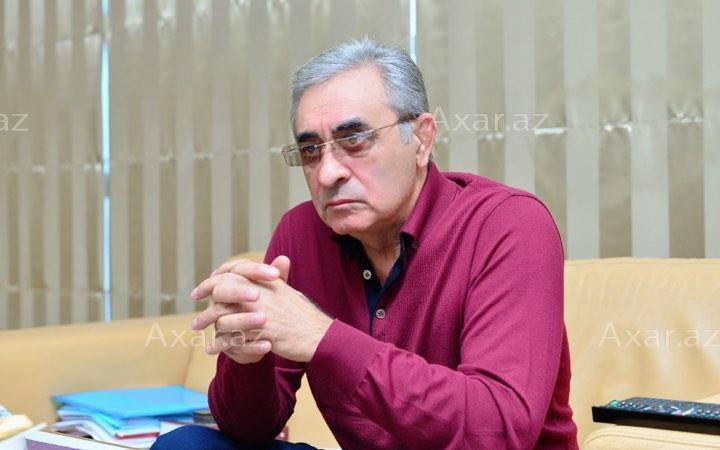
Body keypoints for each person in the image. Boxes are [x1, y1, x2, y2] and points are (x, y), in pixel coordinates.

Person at [153, 38, 578, 449]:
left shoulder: (509, 224)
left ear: (421, 138)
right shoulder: (300, 234)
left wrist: (321, 336)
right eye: (311, 150)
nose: (327, 174)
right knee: (187, 445)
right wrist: (248, 360)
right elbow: (249, 430)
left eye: (354, 140)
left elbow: (498, 433)